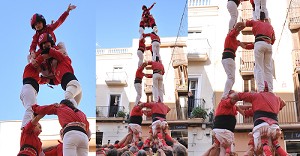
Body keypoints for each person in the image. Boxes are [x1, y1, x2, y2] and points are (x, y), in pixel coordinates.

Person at [229, 82, 287, 155]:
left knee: (258, 151)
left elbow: (236, 96)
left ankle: (264, 143)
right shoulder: (276, 98)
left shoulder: (256, 96)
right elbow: (284, 103)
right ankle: (275, 144)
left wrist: (230, 98)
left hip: (261, 126)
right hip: (274, 127)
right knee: (272, 150)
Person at [33, 33, 82, 107]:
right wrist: (40, 80)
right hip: (73, 89)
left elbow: (57, 54)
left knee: (67, 99)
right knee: (70, 109)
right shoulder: (56, 73)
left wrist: (46, 53)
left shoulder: (64, 60)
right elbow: (53, 81)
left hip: (73, 84)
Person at [236, 18, 275, 92]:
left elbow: (242, 23)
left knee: (258, 67)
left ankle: (261, 89)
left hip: (259, 43)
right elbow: (273, 40)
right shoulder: (270, 26)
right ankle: (270, 89)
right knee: (268, 68)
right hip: (268, 45)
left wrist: (234, 29)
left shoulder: (255, 22)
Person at [221, 23, 254, 99]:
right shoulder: (230, 36)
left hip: (229, 58)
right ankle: (225, 95)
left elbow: (245, 46)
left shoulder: (236, 41)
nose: (238, 33)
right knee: (231, 78)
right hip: (228, 58)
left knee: (232, 79)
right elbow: (235, 30)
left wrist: (254, 44)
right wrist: (242, 26)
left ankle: (227, 92)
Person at [212, 90, 244, 156]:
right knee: (227, 151)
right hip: (224, 130)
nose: (235, 100)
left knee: (219, 148)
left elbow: (240, 110)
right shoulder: (225, 102)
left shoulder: (232, 106)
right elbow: (233, 102)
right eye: (234, 99)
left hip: (225, 130)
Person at [20, 62, 45, 129]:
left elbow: (48, 80)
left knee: (34, 111)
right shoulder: (30, 67)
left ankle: (31, 127)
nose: (41, 71)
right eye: (41, 68)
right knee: (31, 108)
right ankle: (25, 126)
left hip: (29, 90)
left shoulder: (37, 77)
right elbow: (38, 59)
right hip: (28, 88)